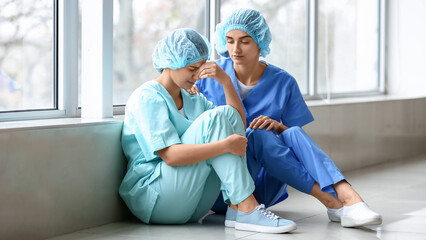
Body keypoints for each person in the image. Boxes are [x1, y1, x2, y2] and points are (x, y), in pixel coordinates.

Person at [191, 9, 382, 228]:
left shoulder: (284, 81)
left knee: (291, 132)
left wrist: (280, 128)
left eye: (244, 41)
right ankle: (338, 202)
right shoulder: (210, 76)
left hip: (264, 187)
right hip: (222, 187)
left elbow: (296, 149)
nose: (235, 49)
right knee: (256, 135)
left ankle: (346, 196)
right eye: (229, 41)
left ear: (259, 43)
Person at [119, 28, 297, 233]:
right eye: (192, 69)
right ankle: (248, 207)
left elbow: (237, 123)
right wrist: (223, 146)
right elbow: (170, 156)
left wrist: (226, 81)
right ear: (170, 63)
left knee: (226, 114)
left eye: (201, 69)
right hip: (157, 199)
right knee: (216, 118)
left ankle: (236, 206)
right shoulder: (147, 97)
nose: (197, 76)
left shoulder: (192, 97)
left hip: (194, 205)